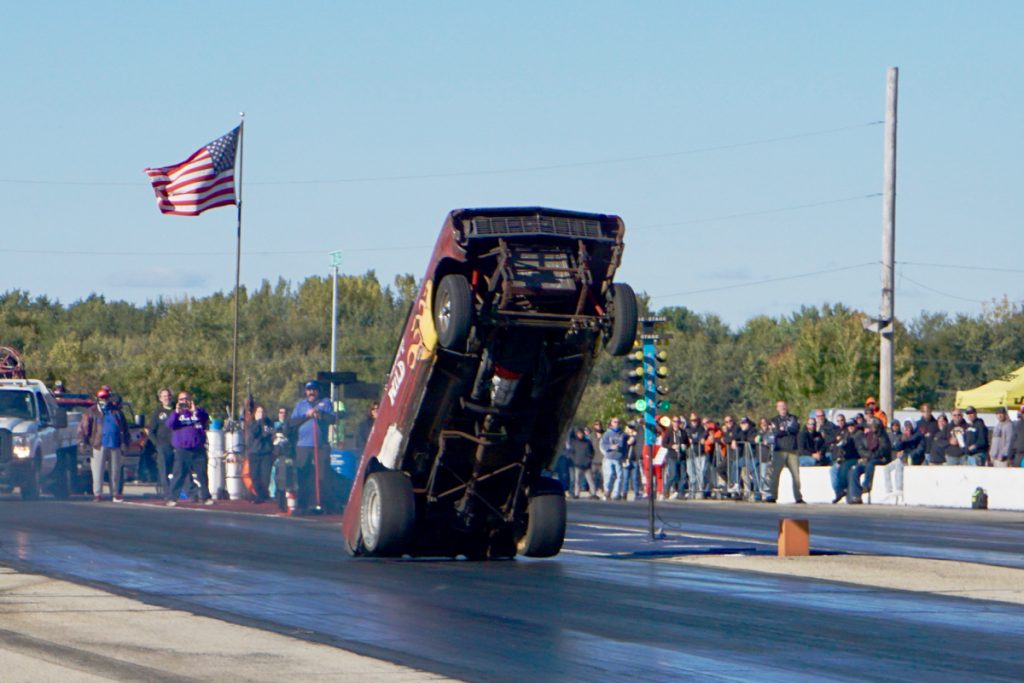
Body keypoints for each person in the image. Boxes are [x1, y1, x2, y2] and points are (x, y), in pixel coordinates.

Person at [288, 380, 336, 512]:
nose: (311, 392)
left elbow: (332, 419)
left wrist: (320, 414)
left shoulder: (325, 402)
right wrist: (307, 415)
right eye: (309, 390)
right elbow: (292, 422)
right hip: (303, 445)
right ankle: (303, 503)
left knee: (324, 475)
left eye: (314, 390)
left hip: (321, 445)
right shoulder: (300, 405)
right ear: (306, 392)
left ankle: (326, 504)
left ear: (318, 391)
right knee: (303, 474)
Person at [76, 387, 131, 502]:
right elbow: (83, 428)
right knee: (97, 471)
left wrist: (125, 442)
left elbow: (125, 429)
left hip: (115, 444)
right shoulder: (91, 411)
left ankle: (115, 493)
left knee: (115, 471)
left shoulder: (116, 411)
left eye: (106, 397)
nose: (104, 400)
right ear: (98, 398)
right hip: (98, 444)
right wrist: (82, 441)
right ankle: (97, 494)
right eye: (102, 397)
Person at [165, 391, 212, 506]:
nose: (184, 402)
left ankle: (206, 497)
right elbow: (169, 425)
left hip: (197, 448)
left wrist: (194, 411)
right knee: (179, 474)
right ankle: (173, 498)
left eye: (186, 399)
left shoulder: (198, 412)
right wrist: (176, 412)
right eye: (181, 400)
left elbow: (205, 419)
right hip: (183, 449)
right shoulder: (176, 414)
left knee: (202, 474)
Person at [767, 400, 804, 503]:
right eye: (780, 406)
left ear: (787, 407)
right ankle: (773, 495)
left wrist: (784, 429)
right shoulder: (774, 420)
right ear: (777, 408)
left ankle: (798, 497)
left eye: (784, 406)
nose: (783, 408)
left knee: (796, 475)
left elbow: (795, 429)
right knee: (775, 474)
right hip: (779, 450)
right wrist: (785, 430)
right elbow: (776, 432)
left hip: (792, 449)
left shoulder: (794, 418)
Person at [147, 388, 176, 497]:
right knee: (164, 471)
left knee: (180, 469)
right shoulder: (157, 412)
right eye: (164, 396)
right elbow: (151, 432)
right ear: (160, 399)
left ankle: (187, 492)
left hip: (177, 445)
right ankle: (167, 493)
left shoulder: (175, 410)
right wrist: (158, 445)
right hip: (163, 446)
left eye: (168, 395)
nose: (166, 398)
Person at [245, 405, 275, 502]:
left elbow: (271, 434)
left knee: (265, 476)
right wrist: (259, 422)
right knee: (255, 476)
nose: (261, 414)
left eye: (262, 412)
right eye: (258, 412)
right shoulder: (251, 423)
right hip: (254, 452)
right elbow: (254, 433)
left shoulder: (269, 423)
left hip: (266, 452)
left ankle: (263, 495)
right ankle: (260, 494)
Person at [659, 416, 689, 499]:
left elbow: (688, 443)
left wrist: (685, 446)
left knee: (683, 476)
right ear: (672, 422)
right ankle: (666, 490)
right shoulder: (669, 432)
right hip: (672, 456)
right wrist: (672, 446)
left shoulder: (683, 432)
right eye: (675, 421)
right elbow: (663, 444)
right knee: (673, 474)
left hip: (682, 457)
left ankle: (681, 493)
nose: (676, 423)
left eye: (678, 422)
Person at [599, 417, 627, 500]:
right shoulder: (607, 434)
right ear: (611, 423)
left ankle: (616, 493)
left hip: (619, 457)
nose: (616, 424)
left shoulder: (623, 434)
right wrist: (611, 447)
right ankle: (607, 491)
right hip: (609, 457)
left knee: (619, 476)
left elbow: (625, 446)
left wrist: (625, 456)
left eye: (618, 422)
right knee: (609, 474)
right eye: (615, 422)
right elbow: (603, 445)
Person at [566, 426, 597, 499]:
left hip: (587, 464)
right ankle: (577, 494)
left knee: (590, 480)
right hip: (577, 464)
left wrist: (589, 459)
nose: (580, 435)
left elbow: (592, 452)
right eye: (578, 433)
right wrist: (575, 460)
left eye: (581, 433)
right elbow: (571, 453)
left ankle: (593, 493)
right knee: (577, 480)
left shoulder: (587, 442)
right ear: (576, 434)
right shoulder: (574, 442)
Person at [684, 412, 708, 499]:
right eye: (692, 420)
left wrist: (694, 439)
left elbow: (701, 437)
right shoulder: (687, 428)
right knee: (690, 472)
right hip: (690, 454)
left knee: (700, 473)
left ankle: (699, 491)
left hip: (699, 453)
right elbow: (686, 438)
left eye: (695, 420)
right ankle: (692, 491)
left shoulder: (701, 428)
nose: (694, 422)